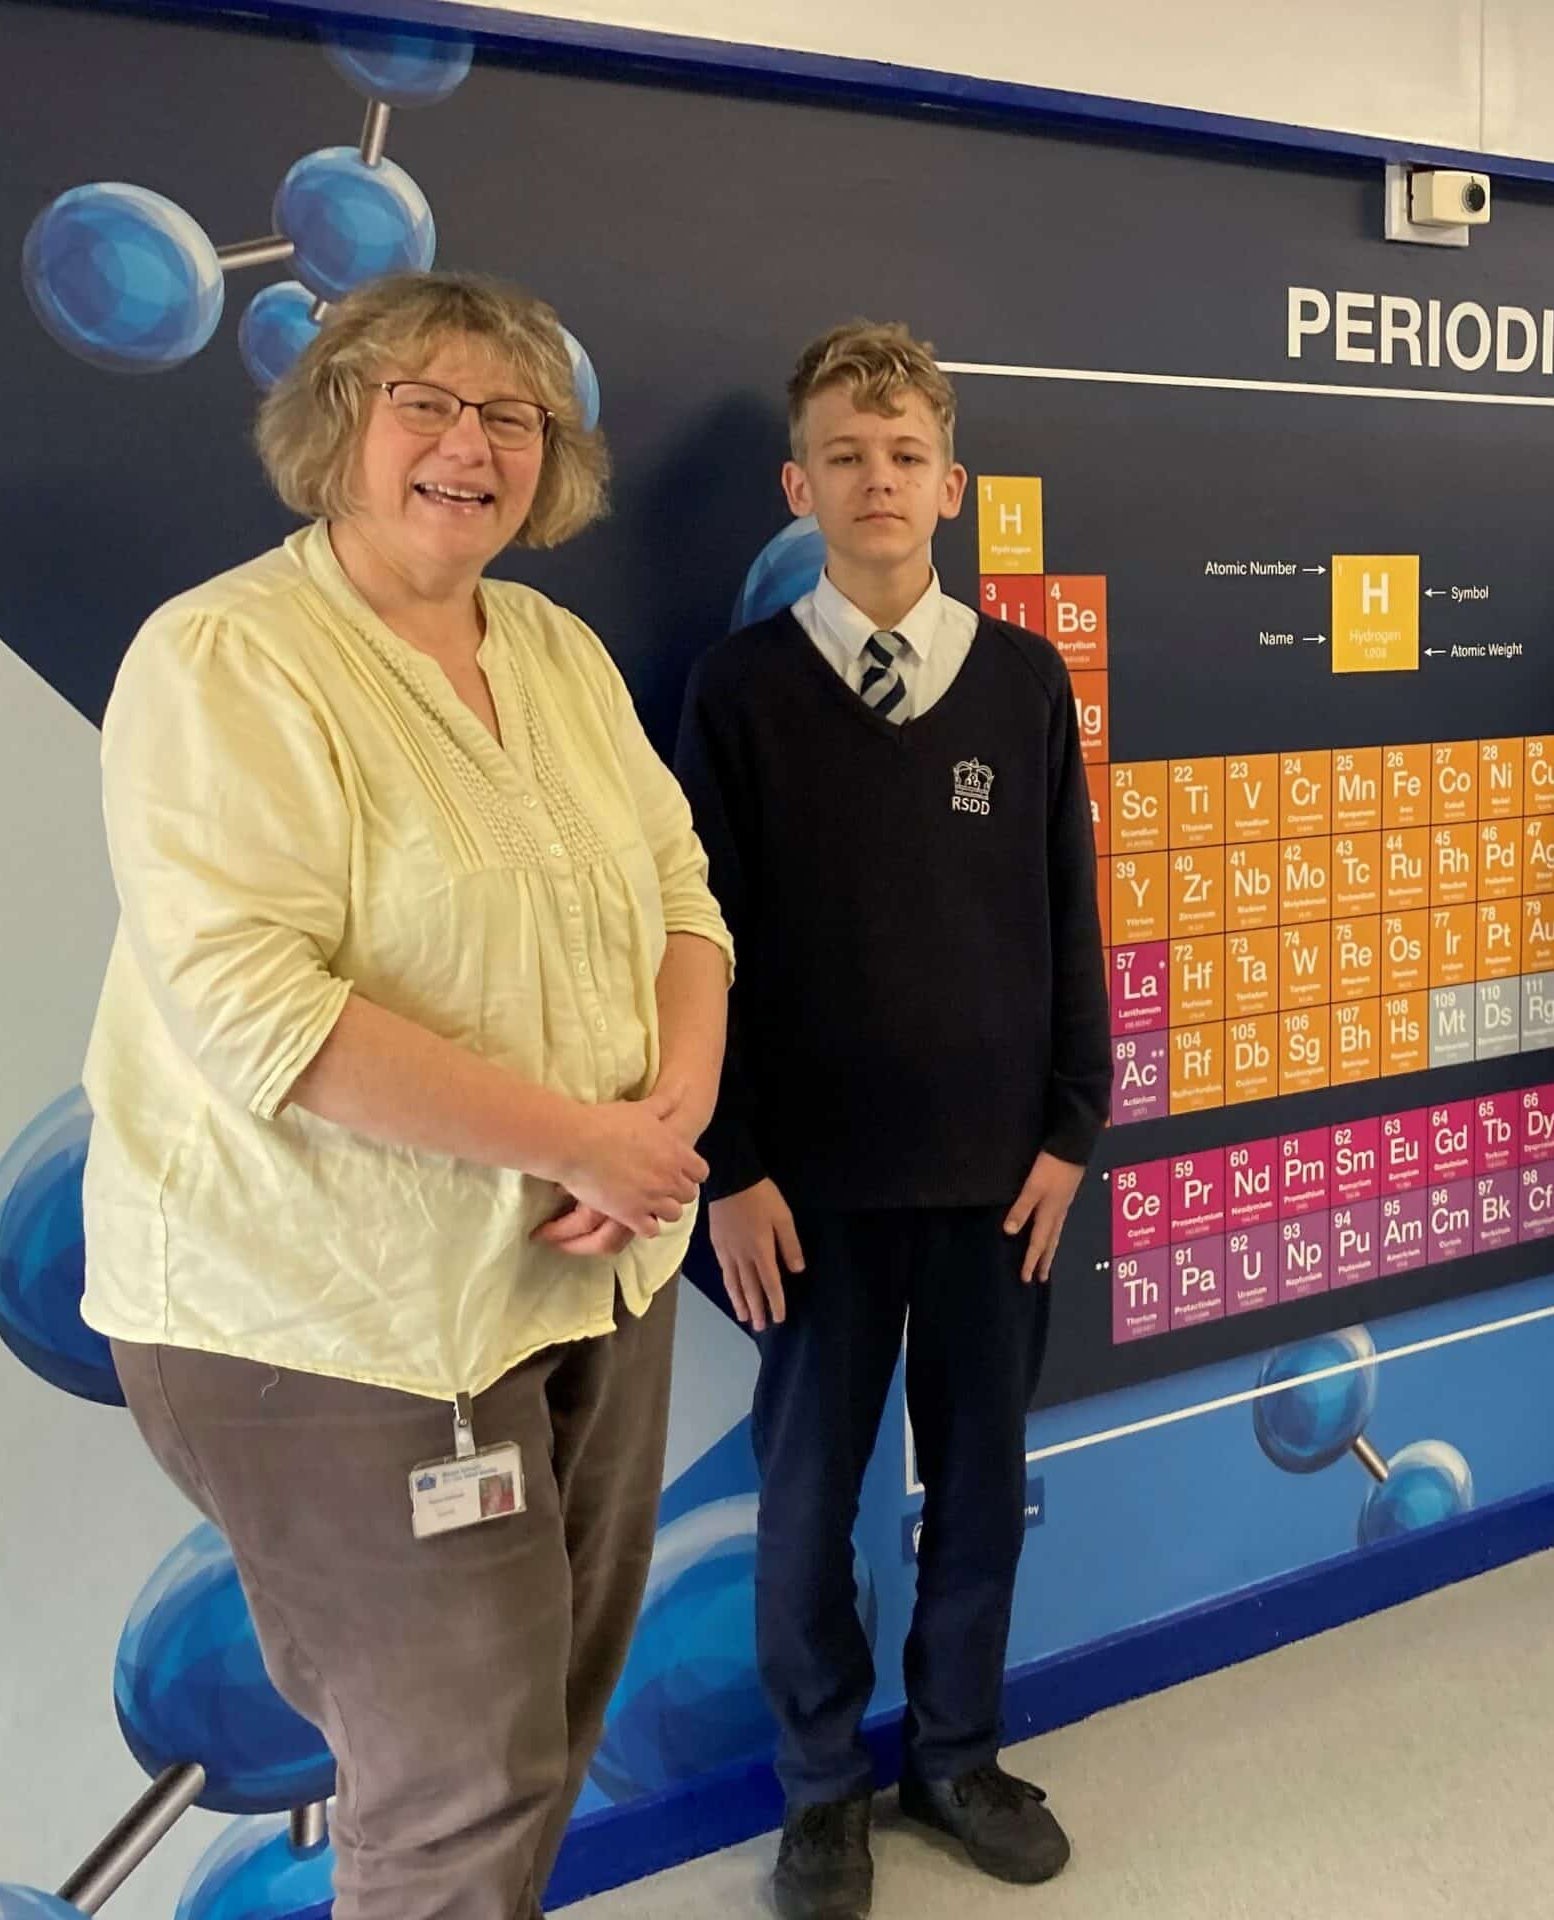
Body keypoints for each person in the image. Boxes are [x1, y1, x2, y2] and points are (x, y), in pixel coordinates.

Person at [83, 272, 734, 1919]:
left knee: (542, 1735)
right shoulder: (227, 657)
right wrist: (583, 1137)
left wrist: (660, 1118)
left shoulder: (557, 648)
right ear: (334, 429)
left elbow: (681, 893)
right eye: (423, 404)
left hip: (592, 1262)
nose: (471, 443)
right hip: (332, 1315)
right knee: (455, 1773)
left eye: (508, 414)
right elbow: (256, 1008)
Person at [674, 321, 1106, 1920]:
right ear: (801, 482)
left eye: (905, 453)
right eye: (845, 455)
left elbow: (1069, 916)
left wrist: (1072, 1130)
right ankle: (821, 1793)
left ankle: (957, 1753)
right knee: (806, 1500)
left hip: (1001, 1181)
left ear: (953, 483)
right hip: (809, 1196)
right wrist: (734, 1164)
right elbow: (691, 942)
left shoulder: (1020, 683)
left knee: (982, 1481)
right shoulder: (735, 693)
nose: (877, 480)